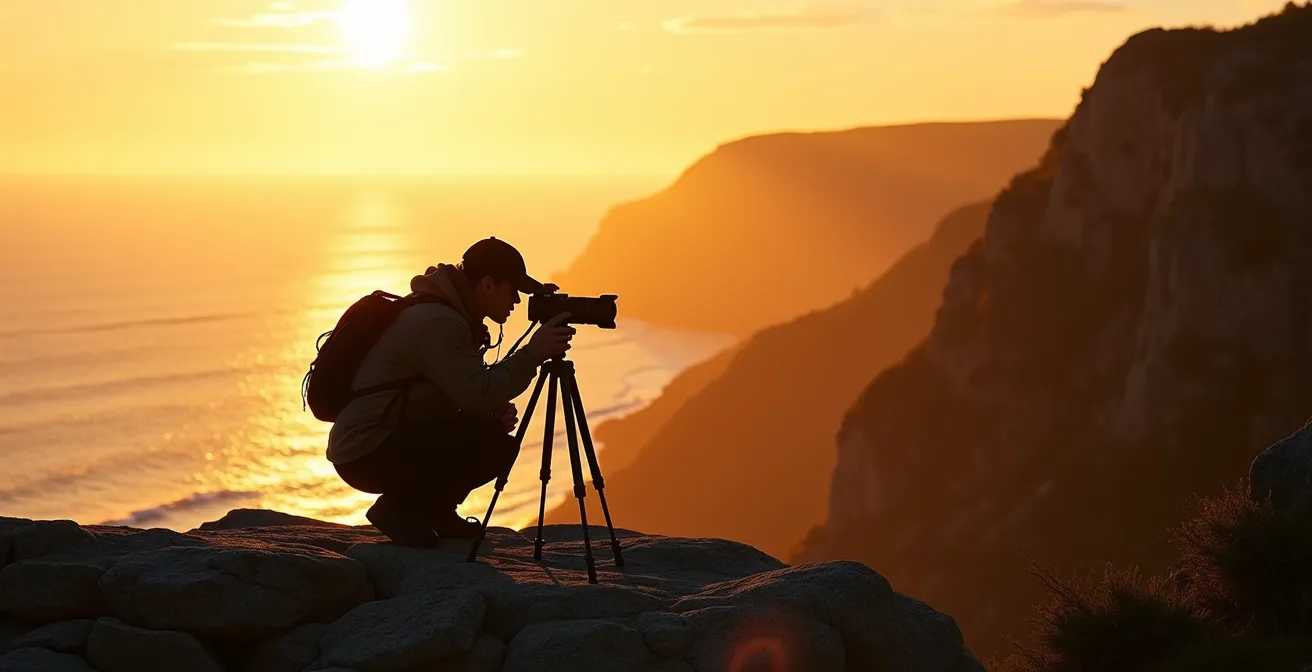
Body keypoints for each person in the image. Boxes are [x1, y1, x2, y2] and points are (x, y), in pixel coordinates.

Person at [325, 237, 575, 547]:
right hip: (366, 450)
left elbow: (458, 392)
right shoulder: (439, 322)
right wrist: (533, 354)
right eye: (513, 291)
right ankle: (396, 510)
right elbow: (476, 394)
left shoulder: (449, 315)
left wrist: (488, 409)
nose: (517, 301)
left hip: (381, 439)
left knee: (491, 436)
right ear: (487, 284)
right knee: (489, 442)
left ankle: (436, 513)